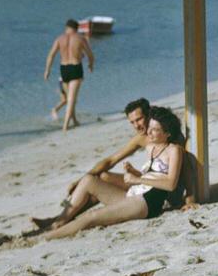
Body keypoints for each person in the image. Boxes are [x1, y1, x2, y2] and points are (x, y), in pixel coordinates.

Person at [44, 105, 188, 238]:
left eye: (155, 129)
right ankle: (59, 222)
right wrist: (134, 173)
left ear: (167, 133)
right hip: (135, 194)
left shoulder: (174, 150)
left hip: (147, 202)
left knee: (92, 217)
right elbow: (152, 174)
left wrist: (137, 180)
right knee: (88, 180)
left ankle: (46, 238)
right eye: (149, 127)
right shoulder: (151, 147)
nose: (148, 132)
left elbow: (171, 184)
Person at [30, 98, 151, 232]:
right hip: (145, 184)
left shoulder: (163, 134)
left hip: (147, 194)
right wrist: (81, 179)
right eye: (132, 122)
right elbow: (111, 160)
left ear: (149, 115)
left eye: (139, 119)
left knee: (90, 182)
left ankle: (60, 220)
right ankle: (62, 217)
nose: (136, 126)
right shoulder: (141, 137)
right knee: (102, 176)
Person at [44, 19, 95, 130]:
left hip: (64, 69)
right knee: (71, 99)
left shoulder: (59, 38)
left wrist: (47, 70)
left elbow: (51, 55)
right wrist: (91, 65)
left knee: (70, 97)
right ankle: (66, 125)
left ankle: (74, 120)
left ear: (66, 27)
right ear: (77, 29)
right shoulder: (80, 38)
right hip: (75, 68)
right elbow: (90, 55)